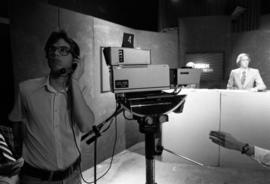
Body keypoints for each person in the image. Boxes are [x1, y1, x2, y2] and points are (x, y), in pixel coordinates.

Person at [8, 30, 95, 184]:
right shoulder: (26, 89)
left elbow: (86, 126)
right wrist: (17, 153)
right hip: (35, 178)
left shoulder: (81, 90)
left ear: (74, 60)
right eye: (52, 49)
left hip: (72, 177)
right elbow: (16, 123)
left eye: (63, 50)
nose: (55, 53)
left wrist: (74, 81)